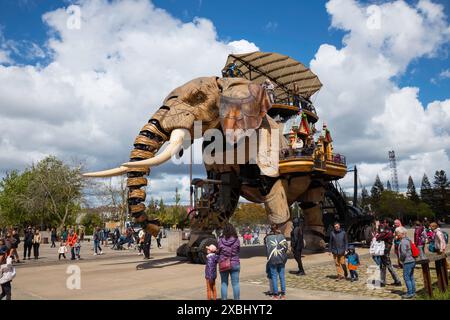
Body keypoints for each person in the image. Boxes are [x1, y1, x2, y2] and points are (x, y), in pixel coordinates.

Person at [375, 221, 402, 287]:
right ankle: (383, 281)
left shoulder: (387, 232)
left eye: (384, 223)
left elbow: (378, 237)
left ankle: (397, 280)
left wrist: (377, 232)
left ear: (387, 224)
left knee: (388, 266)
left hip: (385, 251)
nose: (383, 224)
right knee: (383, 266)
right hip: (384, 251)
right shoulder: (388, 231)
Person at [218, 223, 240, 300]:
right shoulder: (237, 240)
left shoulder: (220, 240)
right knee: (236, 284)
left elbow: (219, 251)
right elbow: (238, 250)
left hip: (223, 263)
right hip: (235, 263)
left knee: (224, 283)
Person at [265, 224, 288, 300]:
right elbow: (286, 247)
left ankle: (275, 295)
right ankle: (283, 294)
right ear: (278, 228)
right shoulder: (282, 236)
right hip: (281, 258)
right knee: (282, 276)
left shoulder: (268, 238)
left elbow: (266, 247)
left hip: (272, 259)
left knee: (274, 277)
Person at [397, 226, 416, 299]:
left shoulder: (403, 241)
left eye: (398, 233)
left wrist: (401, 260)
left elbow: (404, 253)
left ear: (402, 233)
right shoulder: (408, 240)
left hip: (407, 261)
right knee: (411, 277)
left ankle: (410, 293)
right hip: (412, 260)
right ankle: (413, 292)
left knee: (407, 278)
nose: (397, 235)